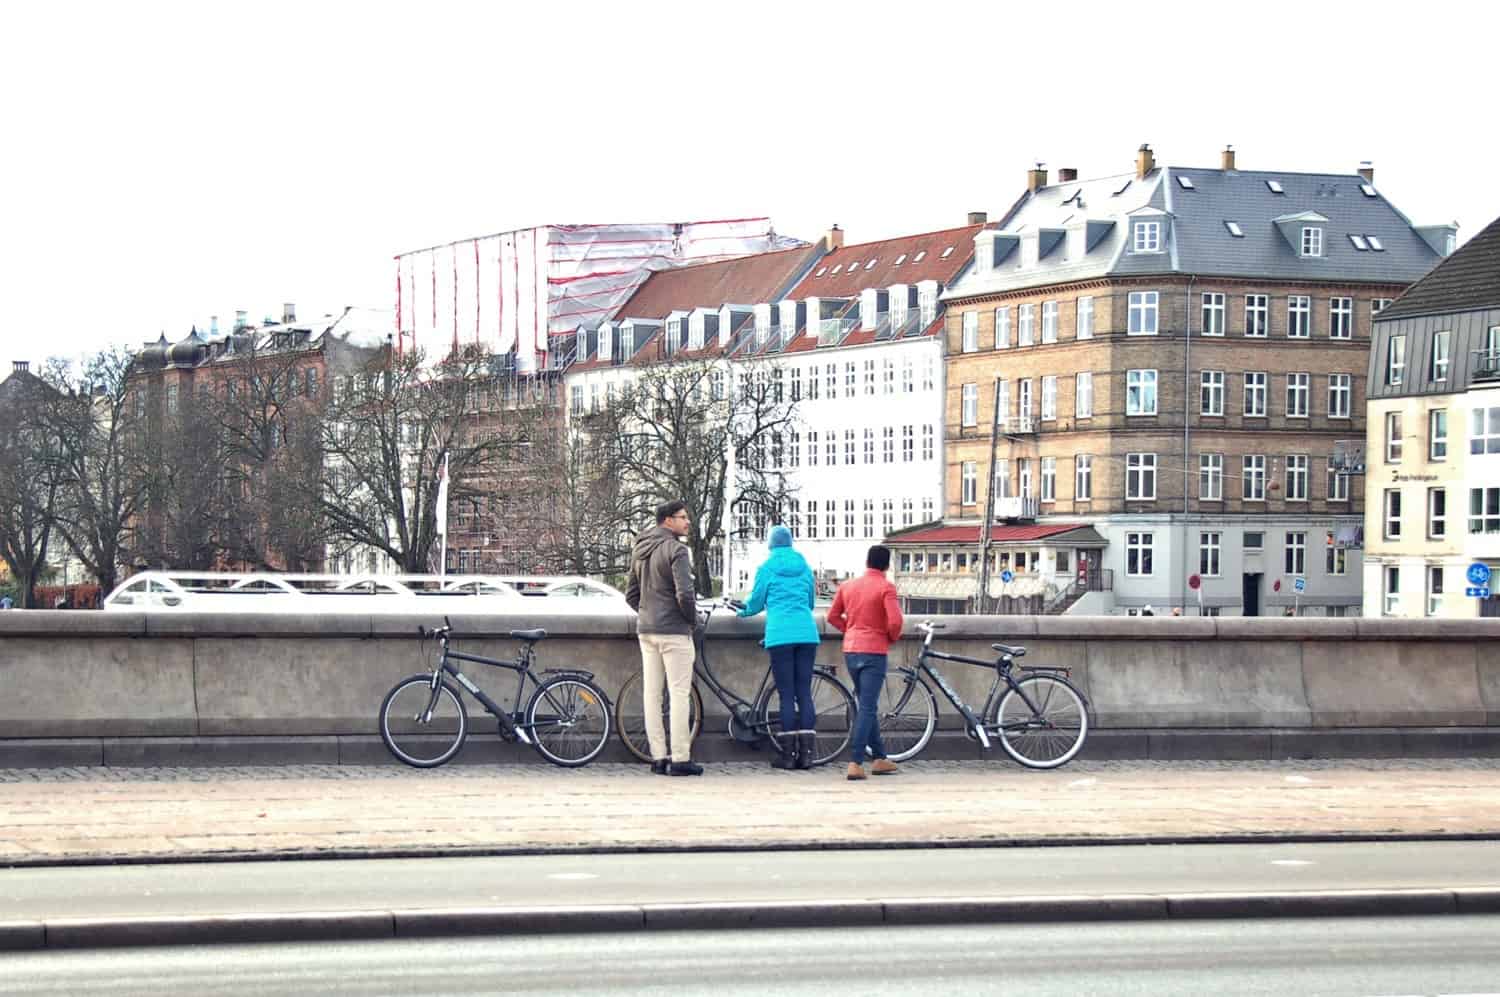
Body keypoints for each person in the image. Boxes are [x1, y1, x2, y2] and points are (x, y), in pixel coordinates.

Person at [625, 500, 702, 776]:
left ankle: (658, 757)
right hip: (674, 631)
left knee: (652, 694)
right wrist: (691, 620)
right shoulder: (677, 550)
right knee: (679, 694)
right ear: (667, 521)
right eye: (683, 517)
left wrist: (648, 614)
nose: (687, 522)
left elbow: (630, 595)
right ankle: (680, 758)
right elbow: (685, 594)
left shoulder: (640, 549)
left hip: (646, 631)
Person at [737, 524, 820, 770]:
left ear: (771, 544)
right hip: (807, 634)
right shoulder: (804, 567)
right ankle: (806, 755)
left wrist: (742, 612)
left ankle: (787, 756)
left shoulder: (767, 568)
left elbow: (756, 602)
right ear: (791, 543)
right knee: (803, 692)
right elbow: (810, 601)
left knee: (785, 694)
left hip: (780, 635)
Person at [827, 545, 904, 781]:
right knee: (868, 707)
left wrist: (849, 630)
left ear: (867, 562)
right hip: (874, 651)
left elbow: (832, 616)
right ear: (887, 565)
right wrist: (889, 637)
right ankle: (856, 761)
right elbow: (895, 621)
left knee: (866, 705)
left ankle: (880, 758)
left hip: (851, 650)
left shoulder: (848, 585)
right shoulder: (886, 587)